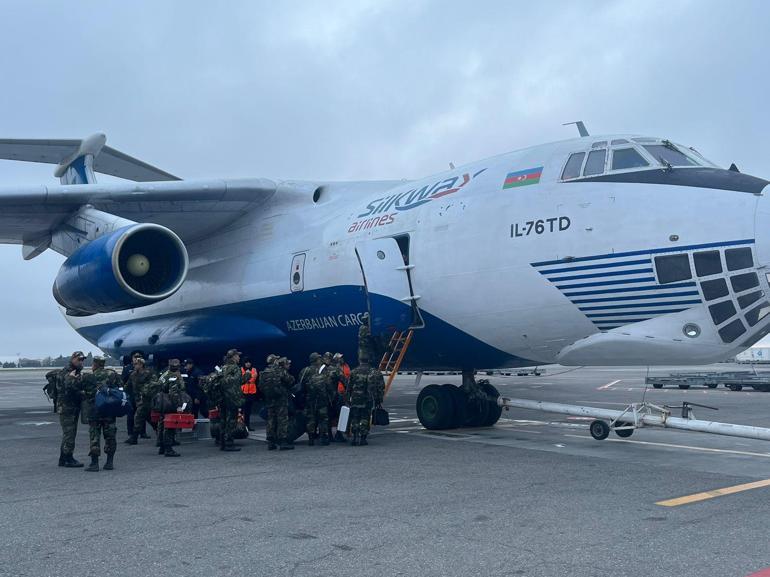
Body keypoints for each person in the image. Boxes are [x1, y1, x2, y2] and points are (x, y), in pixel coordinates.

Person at [82, 357, 121, 472]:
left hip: (95, 411)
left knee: (94, 436)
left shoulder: (89, 377)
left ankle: (94, 464)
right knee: (110, 436)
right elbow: (120, 388)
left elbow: (87, 394)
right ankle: (109, 462)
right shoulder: (113, 374)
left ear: (95, 364)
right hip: (109, 410)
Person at [345, 354, 385, 446]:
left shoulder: (353, 372)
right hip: (367, 399)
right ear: (369, 361)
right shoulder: (374, 372)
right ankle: (363, 438)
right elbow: (381, 386)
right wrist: (379, 399)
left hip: (355, 398)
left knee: (355, 417)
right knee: (365, 417)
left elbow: (348, 387)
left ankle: (354, 438)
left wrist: (347, 399)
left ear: (360, 360)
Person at [56, 351, 86, 468]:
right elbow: (69, 388)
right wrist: (82, 392)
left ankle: (63, 458)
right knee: (70, 433)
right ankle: (68, 458)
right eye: (79, 359)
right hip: (67, 407)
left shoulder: (75, 372)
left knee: (69, 433)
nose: (81, 362)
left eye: (82, 360)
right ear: (73, 359)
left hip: (71, 407)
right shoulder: (68, 372)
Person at [260, 355, 295, 451]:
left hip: (269, 400)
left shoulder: (264, 372)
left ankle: (271, 442)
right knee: (282, 419)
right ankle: (282, 441)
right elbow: (290, 380)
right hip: (281, 399)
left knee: (270, 419)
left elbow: (260, 386)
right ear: (275, 361)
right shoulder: (280, 370)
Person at [156, 358, 185, 457]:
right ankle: (168, 449)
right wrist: (178, 406)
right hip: (169, 404)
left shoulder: (165, 374)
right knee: (170, 426)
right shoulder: (174, 377)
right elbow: (174, 393)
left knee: (162, 424)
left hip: (162, 402)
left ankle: (162, 447)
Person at [299, 353, 328, 445]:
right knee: (323, 418)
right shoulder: (323, 370)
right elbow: (328, 383)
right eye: (319, 358)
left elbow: (300, 383)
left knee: (310, 418)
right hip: (321, 398)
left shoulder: (305, 370)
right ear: (316, 360)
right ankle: (323, 437)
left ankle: (311, 438)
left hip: (309, 398)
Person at [126, 357, 156, 444]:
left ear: (141, 364)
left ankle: (134, 438)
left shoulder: (149, 373)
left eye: (136, 364)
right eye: (134, 364)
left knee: (138, 417)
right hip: (137, 399)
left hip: (146, 400)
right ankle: (160, 433)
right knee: (149, 418)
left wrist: (146, 391)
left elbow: (155, 384)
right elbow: (127, 385)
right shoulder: (133, 374)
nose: (134, 366)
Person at [219, 349, 244, 452]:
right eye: (237, 356)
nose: (239, 357)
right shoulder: (235, 368)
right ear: (233, 357)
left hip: (222, 397)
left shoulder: (223, 367)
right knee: (231, 420)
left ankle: (222, 442)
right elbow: (237, 381)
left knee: (223, 420)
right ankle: (229, 442)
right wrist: (246, 377)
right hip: (232, 398)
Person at [121, 352, 143, 439]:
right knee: (130, 414)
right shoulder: (128, 369)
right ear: (132, 358)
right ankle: (130, 432)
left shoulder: (144, 369)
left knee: (141, 414)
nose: (137, 358)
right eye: (136, 357)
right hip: (131, 395)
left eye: (139, 356)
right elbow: (123, 380)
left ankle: (142, 432)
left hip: (140, 395)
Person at [330, 352, 350, 442]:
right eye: (340, 358)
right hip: (337, 394)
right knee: (337, 414)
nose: (342, 359)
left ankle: (339, 433)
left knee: (340, 414)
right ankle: (336, 434)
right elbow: (345, 381)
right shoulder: (335, 369)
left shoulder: (345, 366)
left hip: (341, 393)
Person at [240, 358, 259, 429]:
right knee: (241, 410)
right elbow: (241, 378)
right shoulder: (240, 369)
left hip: (251, 393)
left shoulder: (254, 369)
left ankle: (247, 426)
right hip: (242, 393)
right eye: (246, 362)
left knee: (248, 410)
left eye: (249, 362)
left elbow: (254, 377)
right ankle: (240, 426)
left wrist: (246, 378)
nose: (248, 363)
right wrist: (247, 376)